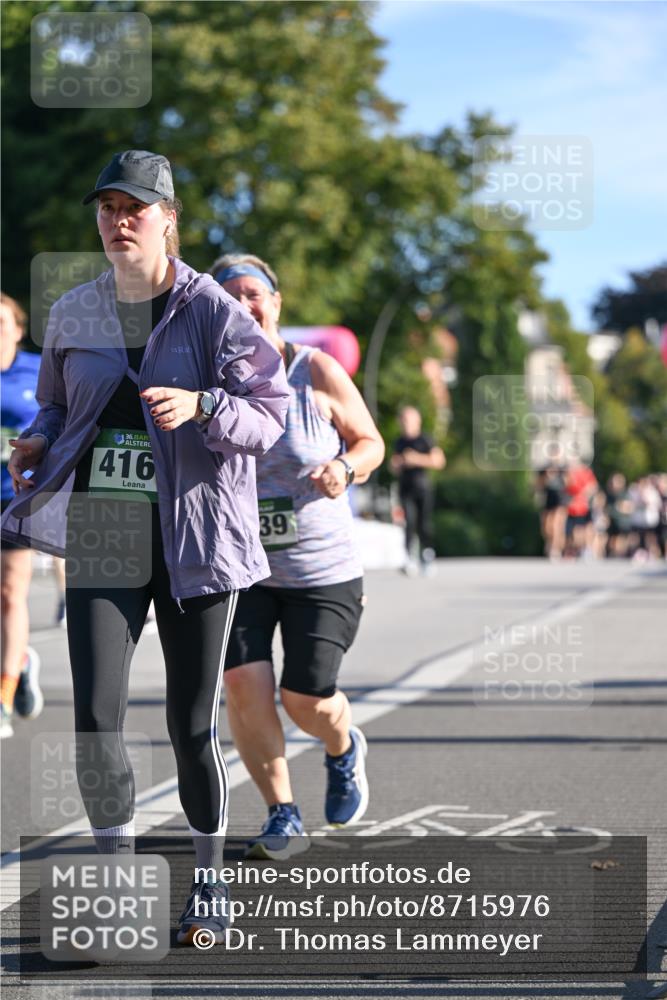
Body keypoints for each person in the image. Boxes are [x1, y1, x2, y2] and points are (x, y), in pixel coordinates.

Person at [1, 151, 289, 945]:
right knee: (96, 718)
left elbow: (267, 417)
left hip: (196, 534)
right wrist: (38, 439)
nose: (118, 221)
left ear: (168, 219)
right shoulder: (74, 311)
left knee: (189, 723)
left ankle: (208, 881)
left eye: (135, 208)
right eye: (107, 208)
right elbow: (56, 407)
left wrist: (204, 407)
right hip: (104, 527)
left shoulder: (215, 312)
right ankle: (116, 885)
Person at [213, 253, 384, 860]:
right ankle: (281, 813)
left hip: (321, 570)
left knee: (305, 700)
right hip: (242, 567)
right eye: (229, 298)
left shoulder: (315, 371)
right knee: (242, 684)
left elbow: (371, 442)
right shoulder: (208, 384)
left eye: (253, 294)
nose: (244, 306)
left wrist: (344, 467)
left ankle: (342, 746)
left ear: (276, 303)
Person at [1, 293, 43, 738]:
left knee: (11, 593)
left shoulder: (38, 370)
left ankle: (4, 695)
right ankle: (23, 659)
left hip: (17, 495)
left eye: (1, 323)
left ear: (17, 329)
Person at [390, 405, 445, 575]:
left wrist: (415, 459)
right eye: (403, 420)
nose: (405, 423)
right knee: (408, 522)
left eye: (408, 420)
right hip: (405, 488)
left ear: (417, 421)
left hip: (423, 488)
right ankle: (409, 558)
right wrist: (397, 464)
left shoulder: (425, 439)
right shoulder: (399, 442)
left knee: (424, 523)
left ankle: (427, 556)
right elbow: (393, 466)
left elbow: (439, 461)